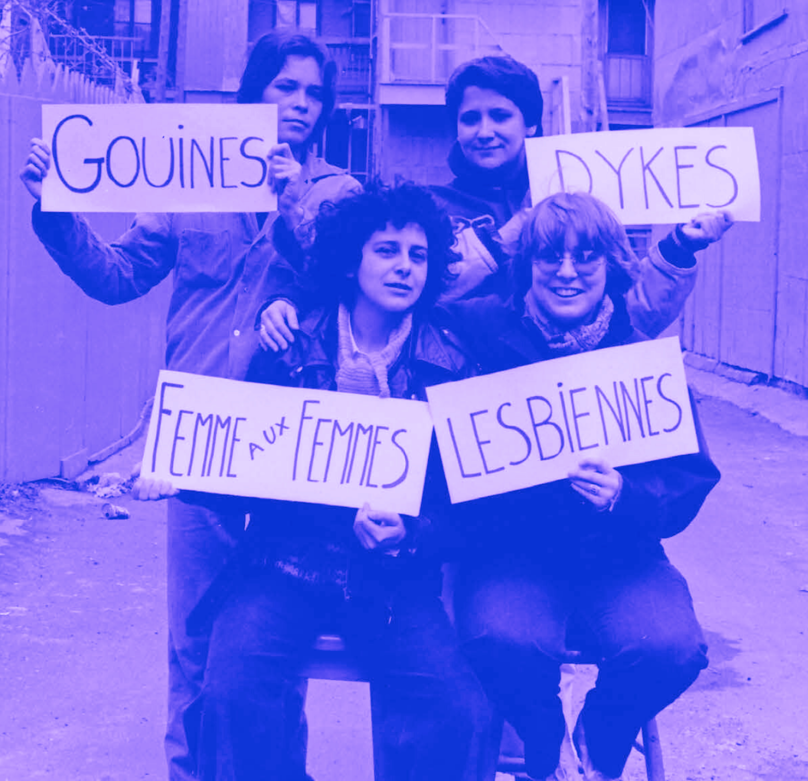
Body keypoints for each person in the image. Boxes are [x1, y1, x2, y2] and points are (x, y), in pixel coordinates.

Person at [17, 30, 362, 781]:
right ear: (252, 94)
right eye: (284, 88)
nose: (299, 105)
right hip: (198, 439)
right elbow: (116, 274)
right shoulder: (191, 178)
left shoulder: (336, 192)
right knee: (194, 638)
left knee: (273, 639)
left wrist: (290, 192)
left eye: (313, 95)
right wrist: (55, 209)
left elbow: (340, 270)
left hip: (286, 443)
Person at [192, 182, 492, 781]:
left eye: (418, 254)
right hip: (282, 568)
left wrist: (410, 534)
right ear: (351, 259)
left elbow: (467, 510)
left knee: (463, 715)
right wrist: (182, 477)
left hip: (392, 583)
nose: (404, 266)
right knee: (232, 693)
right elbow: (242, 474)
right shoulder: (288, 343)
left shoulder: (452, 362)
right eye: (386, 250)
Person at [444, 192, 722, 781]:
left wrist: (626, 495)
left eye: (585, 257)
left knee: (670, 647)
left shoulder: (638, 358)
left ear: (611, 266)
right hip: (511, 554)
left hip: (619, 554)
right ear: (528, 266)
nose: (567, 272)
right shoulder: (481, 334)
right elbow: (417, 299)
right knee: (501, 638)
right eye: (550, 257)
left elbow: (690, 476)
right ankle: (547, 750)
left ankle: (601, 737)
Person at [256, 53, 732, 354]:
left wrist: (677, 251)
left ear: (531, 124)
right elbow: (383, 288)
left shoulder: (576, 208)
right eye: (470, 119)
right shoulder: (428, 211)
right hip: (465, 403)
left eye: (500, 116)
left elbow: (631, 312)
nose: (484, 131)